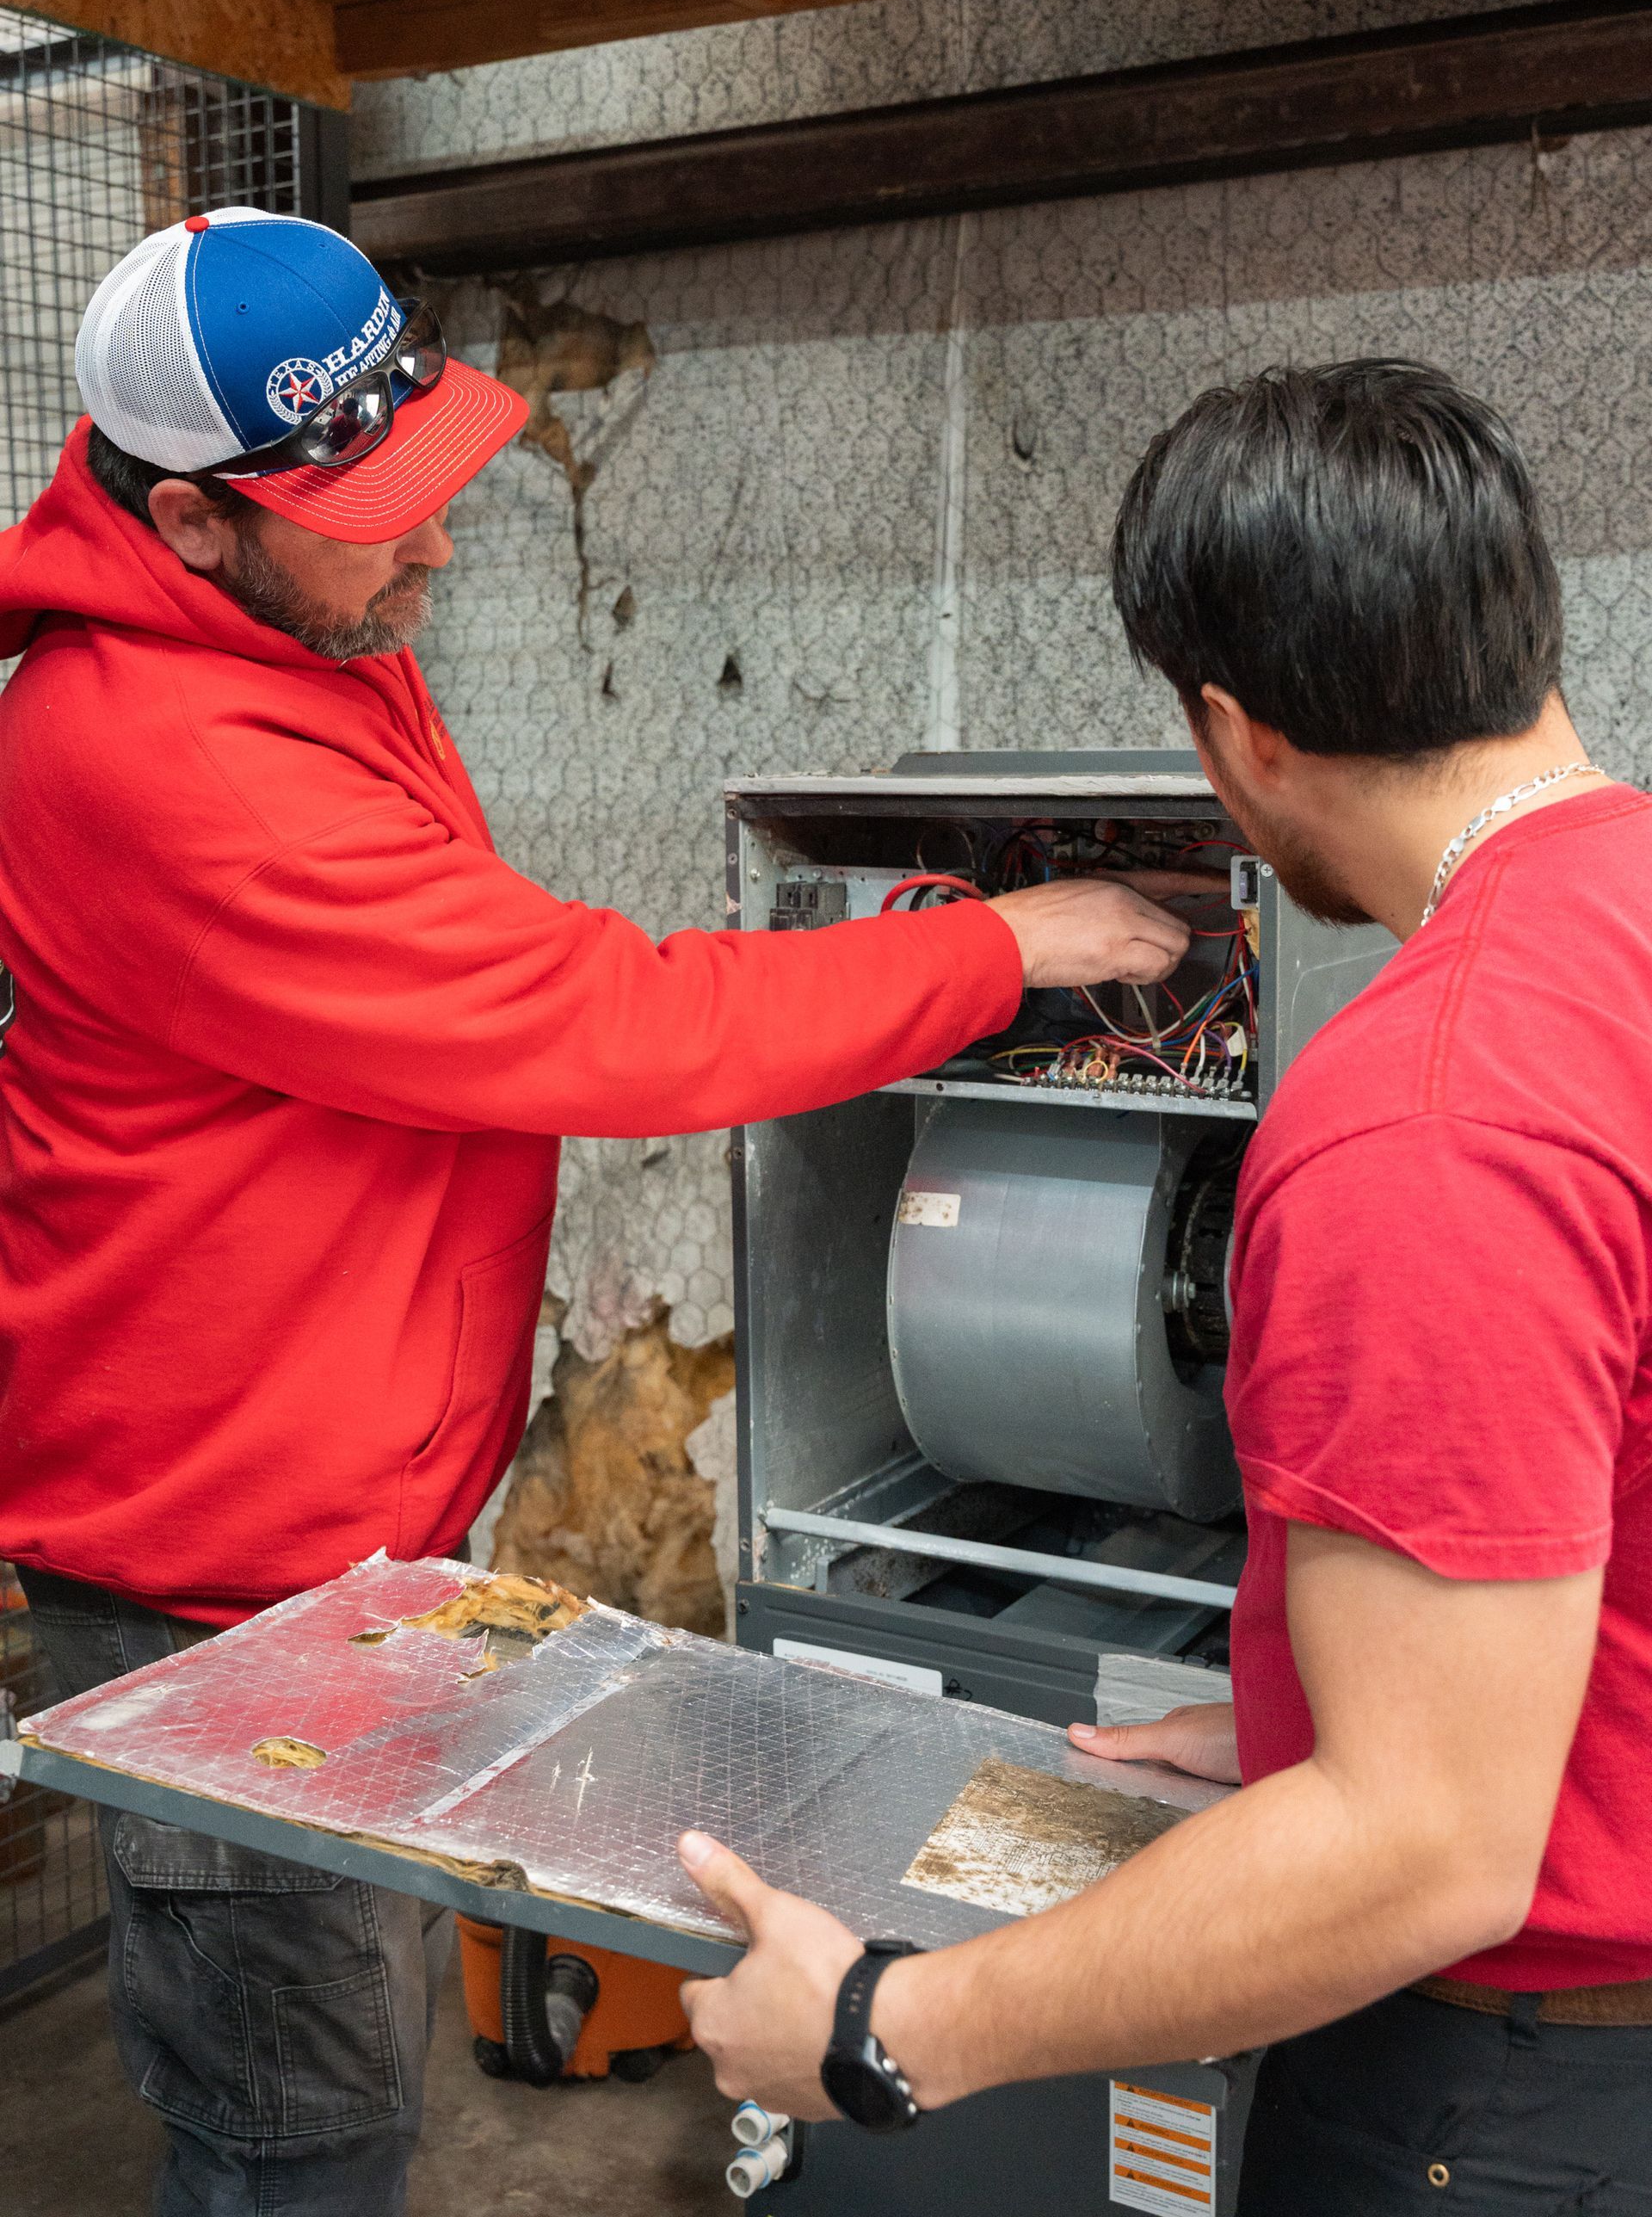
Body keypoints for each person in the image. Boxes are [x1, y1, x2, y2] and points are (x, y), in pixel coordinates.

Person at [0, 209, 1208, 2217]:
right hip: (221, 1579)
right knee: (301, 2132)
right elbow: (595, 1018)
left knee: (342, 2065)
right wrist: (997, 952)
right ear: (194, 522)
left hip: (328, 1525)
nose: (439, 546)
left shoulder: (276, 633)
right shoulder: (154, 755)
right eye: (374, 516)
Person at [679, 357, 1652, 2211]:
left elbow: (1424, 1852)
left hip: (1514, 2100)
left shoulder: (1426, 1118)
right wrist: (1320, 1703)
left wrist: (886, 2026)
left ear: (1238, 738)